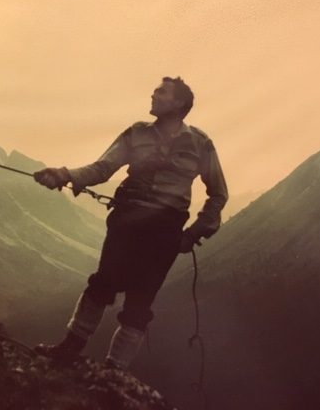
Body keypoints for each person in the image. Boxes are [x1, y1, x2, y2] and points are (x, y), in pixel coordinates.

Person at [33, 76, 228, 369]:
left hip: (166, 231)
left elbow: (219, 193)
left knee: (140, 302)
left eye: (161, 92)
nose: (153, 94)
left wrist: (195, 232)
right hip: (128, 221)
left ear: (179, 104)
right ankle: (70, 349)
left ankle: (114, 370)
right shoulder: (136, 133)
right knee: (102, 285)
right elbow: (103, 168)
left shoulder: (201, 143)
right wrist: (65, 175)